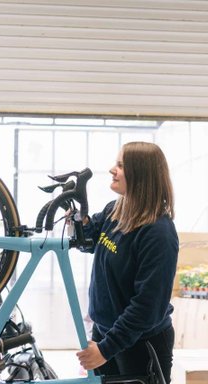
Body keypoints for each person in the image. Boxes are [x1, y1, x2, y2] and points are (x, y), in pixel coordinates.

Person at [76, 141, 178, 384]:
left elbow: (147, 307)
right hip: (105, 332)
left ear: (140, 174)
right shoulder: (115, 211)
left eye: (121, 165)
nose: (112, 169)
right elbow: (87, 241)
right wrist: (79, 218)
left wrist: (105, 349)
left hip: (140, 343)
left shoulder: (158, 233)